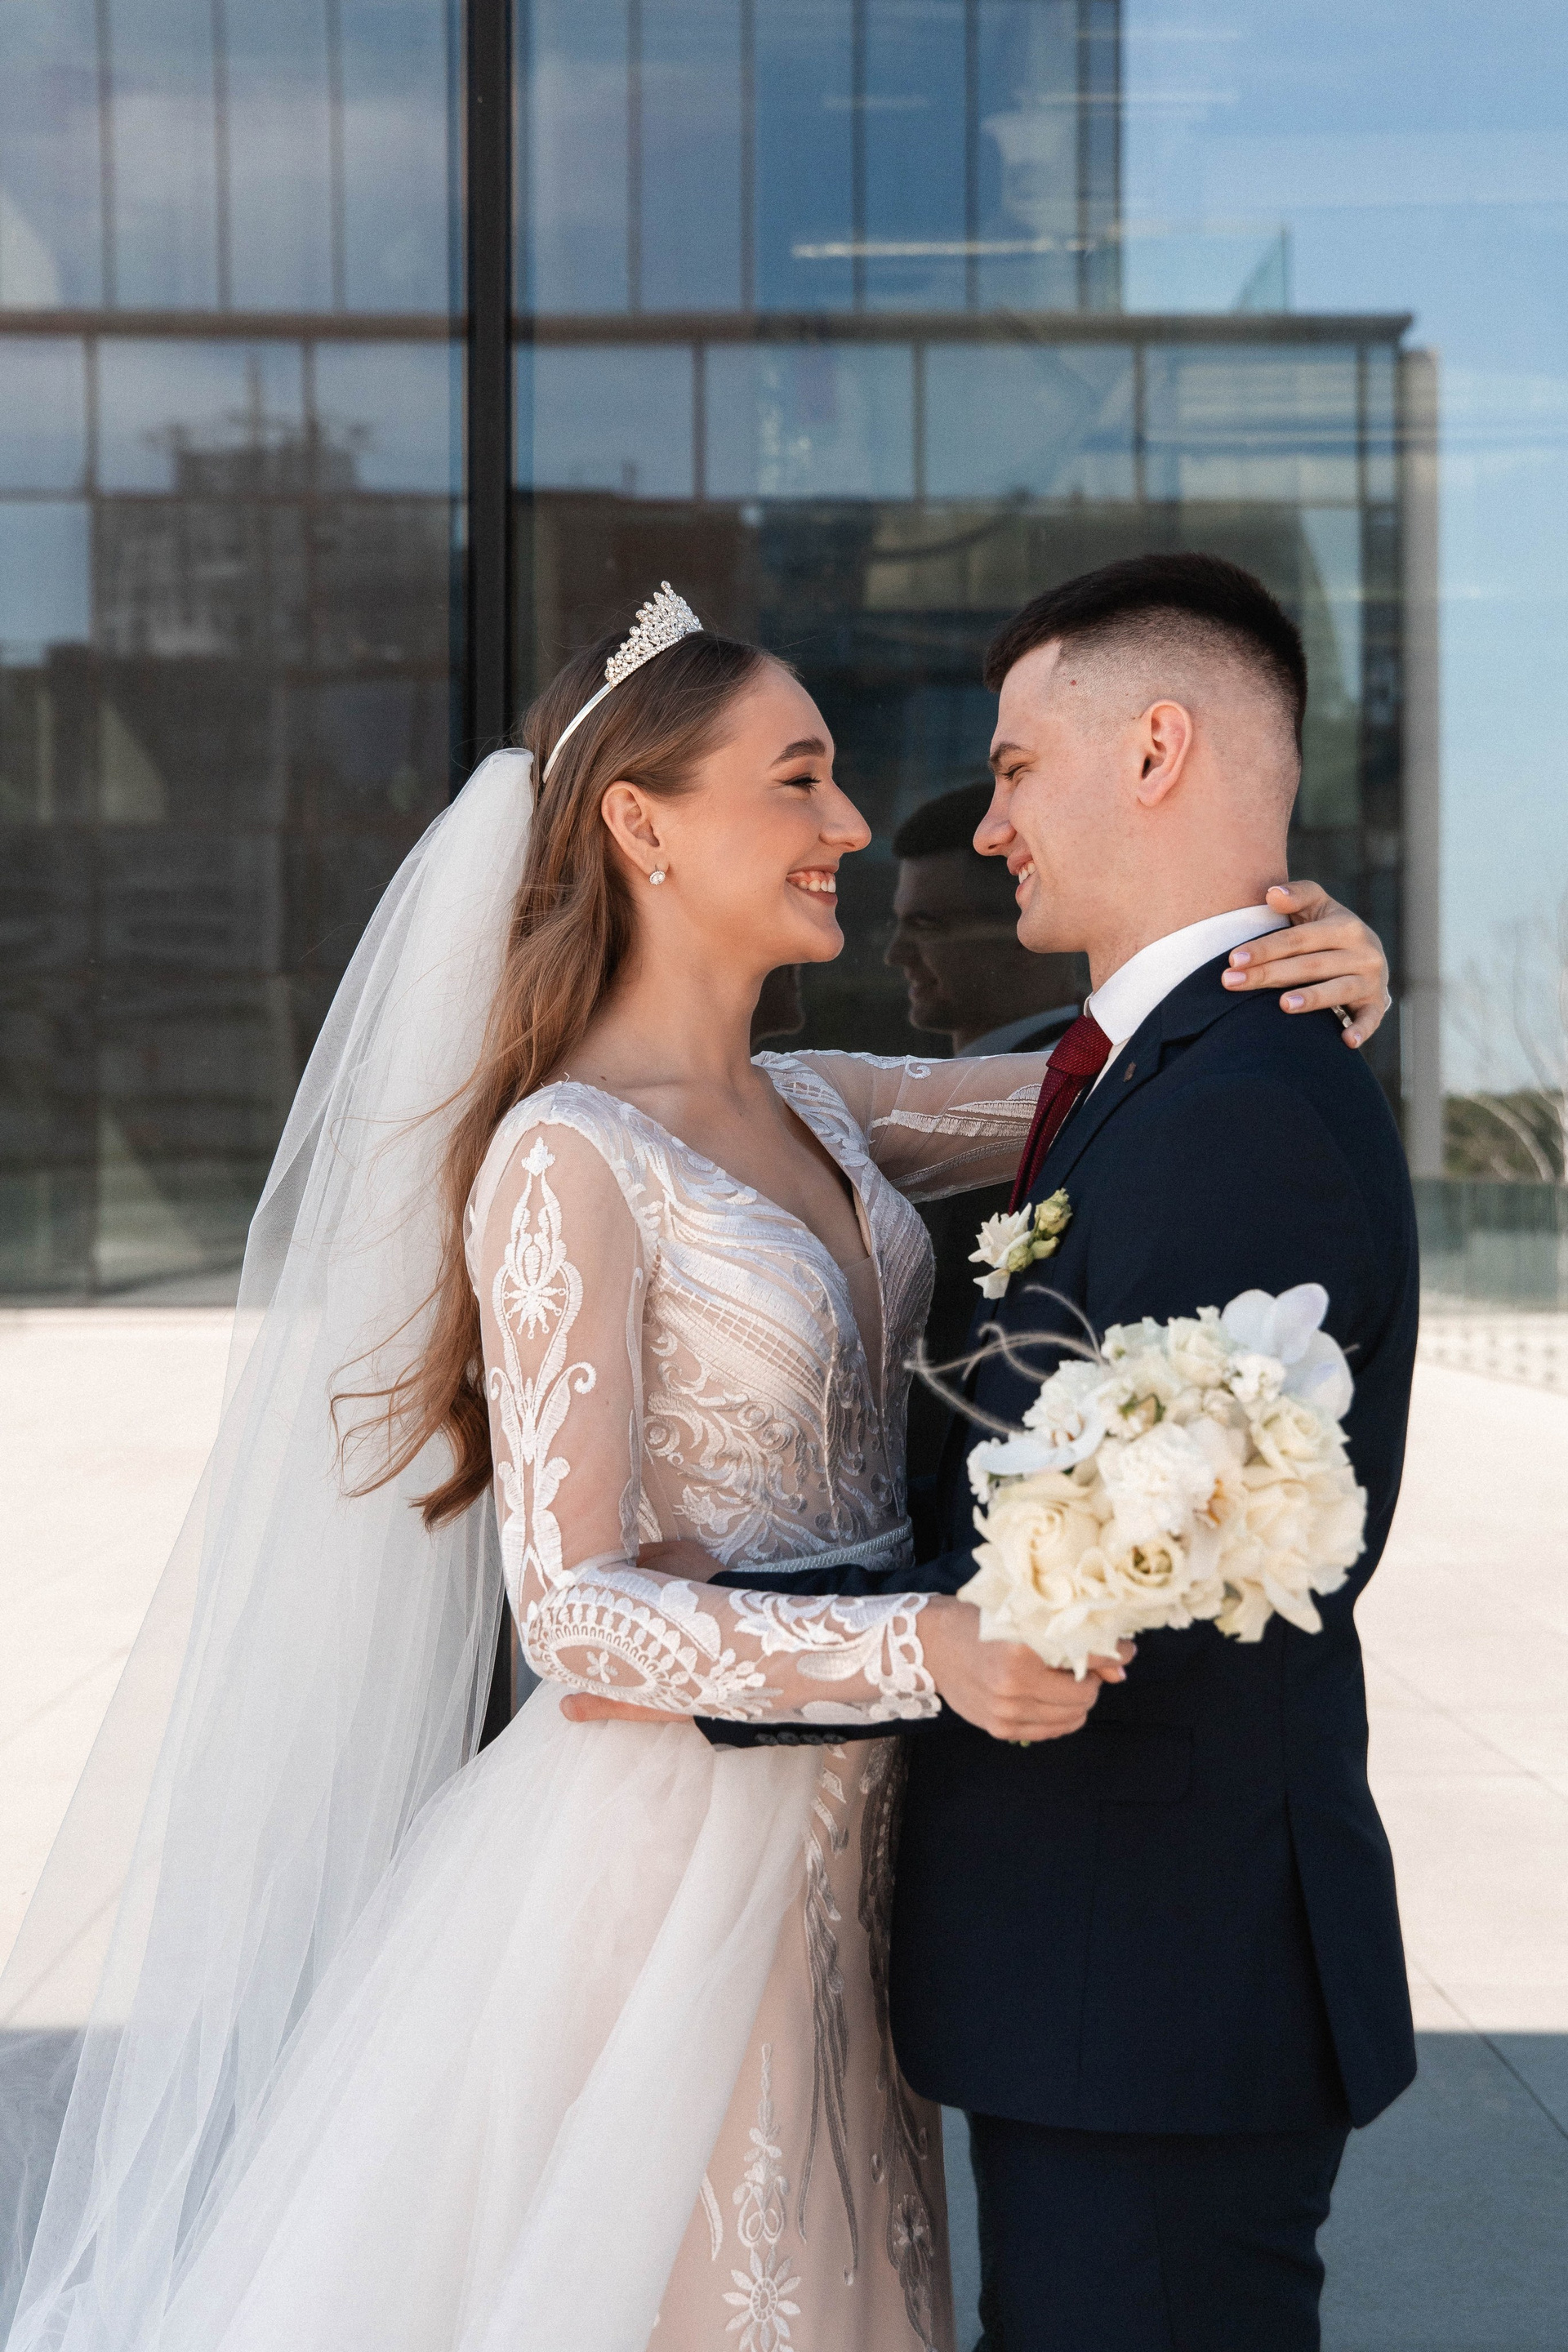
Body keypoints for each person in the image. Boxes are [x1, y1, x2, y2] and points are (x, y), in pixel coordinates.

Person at [0, 584, 1393, 2352]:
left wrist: (1314, 964)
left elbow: (1129, 1081)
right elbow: (572, 1612)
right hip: (667, 1860)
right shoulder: (563, 1157)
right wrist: (928, 1645)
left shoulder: (820, 1104)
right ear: (641, 825)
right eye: (798, 779)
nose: (847, 825)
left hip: (859, 1845)